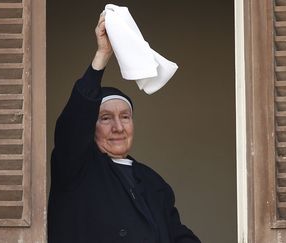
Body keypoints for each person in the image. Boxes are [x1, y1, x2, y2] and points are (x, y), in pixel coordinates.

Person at [48, 13, 201, 243]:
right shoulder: (75, 169)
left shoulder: (153, 183)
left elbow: (177, 235)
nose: (118, 127)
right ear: (90, 126)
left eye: (125, 117)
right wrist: (102, 55)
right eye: (106, 118)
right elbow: (72, 126)